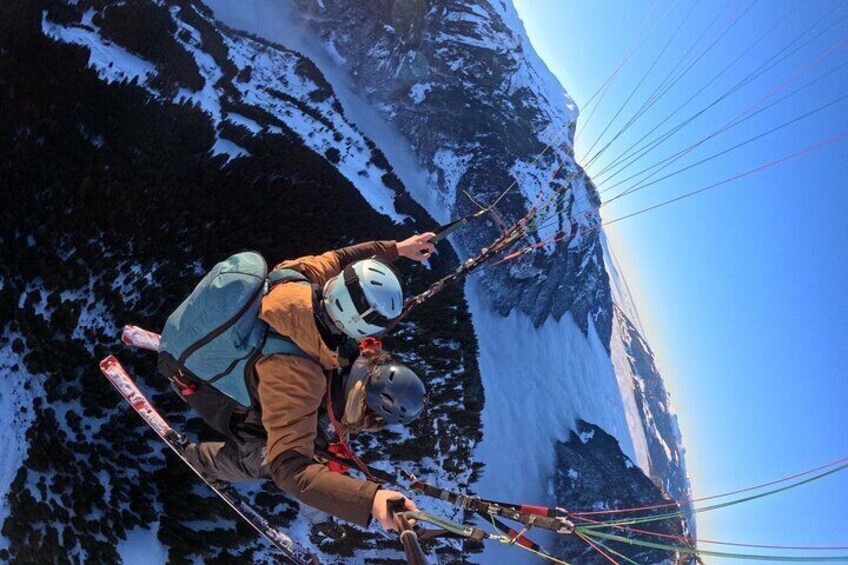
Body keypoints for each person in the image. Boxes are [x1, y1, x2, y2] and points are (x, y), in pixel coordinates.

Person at [179, 234, 435, 539]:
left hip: (210, 333)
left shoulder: (297, 277)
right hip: (207, 387)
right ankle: (202, 463)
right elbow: (288, 468)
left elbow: (341, 257)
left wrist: (397, 249)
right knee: (261, 456)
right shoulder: (298, 374)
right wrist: (371, 500)